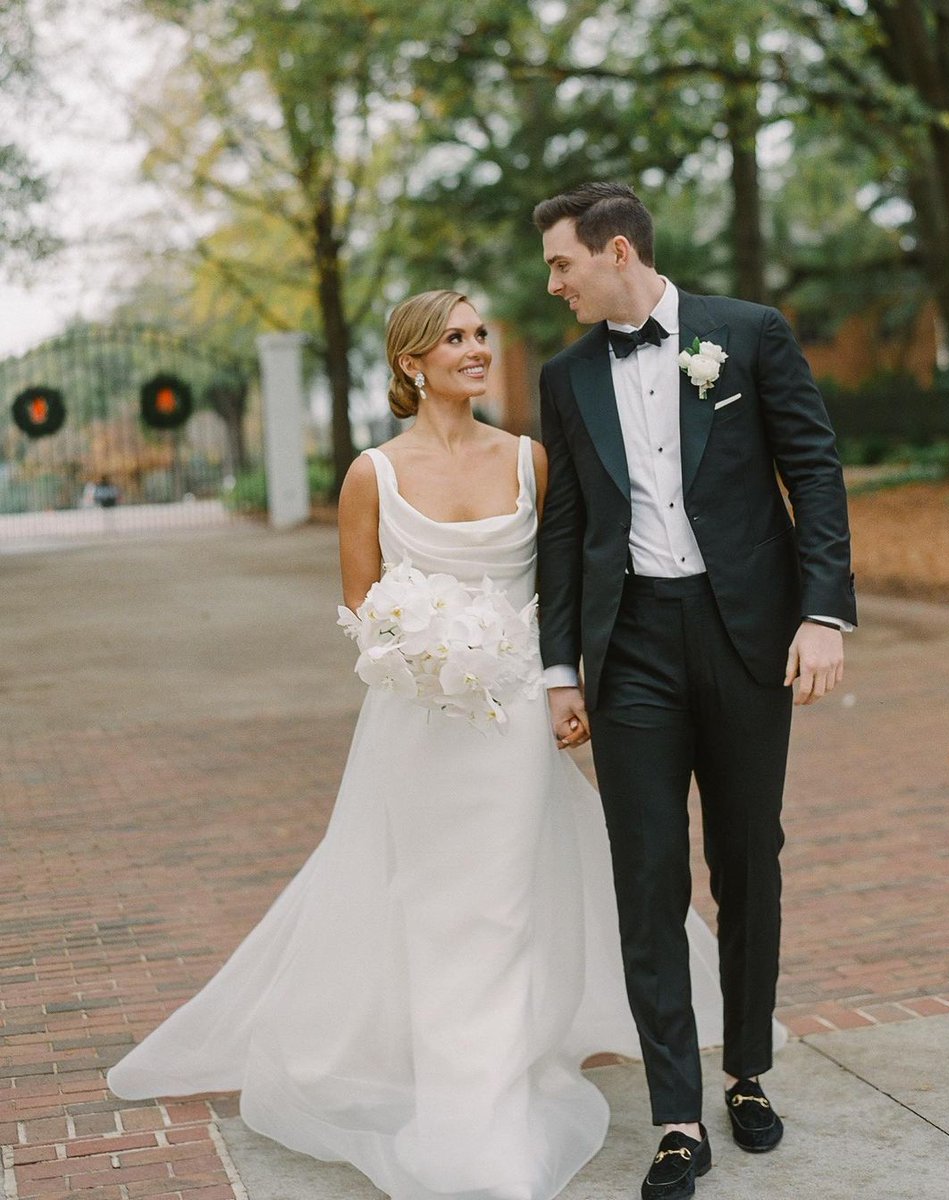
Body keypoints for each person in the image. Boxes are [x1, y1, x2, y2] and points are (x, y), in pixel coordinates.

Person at [107, 289, 730, 1200]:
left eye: (482, 334)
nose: (476, 349)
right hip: (418, 721)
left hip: (515, 713)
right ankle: (444, 1080)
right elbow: (362, 606)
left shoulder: (531, 461)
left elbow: (567, 585)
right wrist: (426, 655)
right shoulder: (372, 474)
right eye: (456, 338)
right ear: (411, 362)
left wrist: (562, 682)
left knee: (501, 905)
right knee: (433, 903)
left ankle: (488, 1097)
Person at [533, 182, 856, 1200]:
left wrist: (821, 615)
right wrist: (557, 671)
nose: (552, 283)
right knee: (645, 875)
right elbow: (562, 528)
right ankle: (676, 1116)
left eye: (561, 263)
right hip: (629, 649)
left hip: (745, 635)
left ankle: (743, 1073)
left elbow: (813, 469)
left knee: (746, 856)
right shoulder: (565, 374)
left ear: (615, 250)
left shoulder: (746, 336)